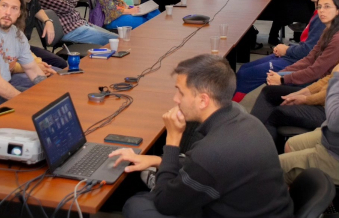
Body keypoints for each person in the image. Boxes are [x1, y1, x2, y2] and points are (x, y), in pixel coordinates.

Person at [110, 54, 293, 218]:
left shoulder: (212, 152)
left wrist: (173, 140)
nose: (175, 99)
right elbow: (203, 164)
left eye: (181, 92)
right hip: (260, 208)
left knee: (137, 205)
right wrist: (157, 160)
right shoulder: (245, 121)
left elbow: (165, 204)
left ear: (203, 100)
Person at [233, 0, 334, 102]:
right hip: (298, 55)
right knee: (245, 68)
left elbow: (309, 52)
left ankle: (225, 111)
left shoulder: (324, 17)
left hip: (302, 62)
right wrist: (288, 48)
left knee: (246, 74)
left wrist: (286, 50)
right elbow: (309, 45)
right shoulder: (318, 12)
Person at [279, 65, 339, 185]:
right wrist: (297, 94)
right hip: (332, 135)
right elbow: (325, 80)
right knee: (290, 145)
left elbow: (334, 120)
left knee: (268, 171)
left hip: (335, 151)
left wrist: (337, 78)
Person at [266, 0, 339, 88]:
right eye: (319, 7)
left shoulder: (337, 38)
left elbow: (316, 70)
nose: (321, 10)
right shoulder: (328, 31)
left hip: (325, 86)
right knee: (271, 84)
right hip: (318, 78)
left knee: (270, 89)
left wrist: (283, 79)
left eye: (327, 6)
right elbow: (310, 59)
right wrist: (281, 73)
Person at [251, 74, 330, 152]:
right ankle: (251, 138)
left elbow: (328, 93)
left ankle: (261, 154)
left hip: (330, 113)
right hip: (324, 103)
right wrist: (295, 95)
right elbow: (324, 82)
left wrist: (305, 99)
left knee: (278, 113)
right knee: (269, 92)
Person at [19, 0, 67, 69]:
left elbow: (38, 10)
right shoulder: (13, 3)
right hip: (13, 53)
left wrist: (48, 21)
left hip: (25, 48)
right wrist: (36, 63)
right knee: (52, 70)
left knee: (61, 64)